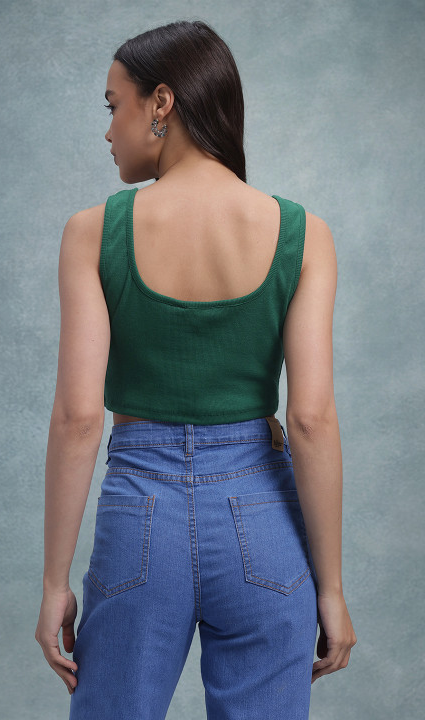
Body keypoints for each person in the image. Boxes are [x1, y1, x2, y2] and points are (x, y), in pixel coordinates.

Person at [35, 19, 357, 720]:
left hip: (139, 515)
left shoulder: (93, 232)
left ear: (161, 102)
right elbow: (310, 419)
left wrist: (55, 580)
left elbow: (79, 418)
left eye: (113, 105)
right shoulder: (304, 235)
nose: (109, 130)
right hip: (264, 519)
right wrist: (331, 589)